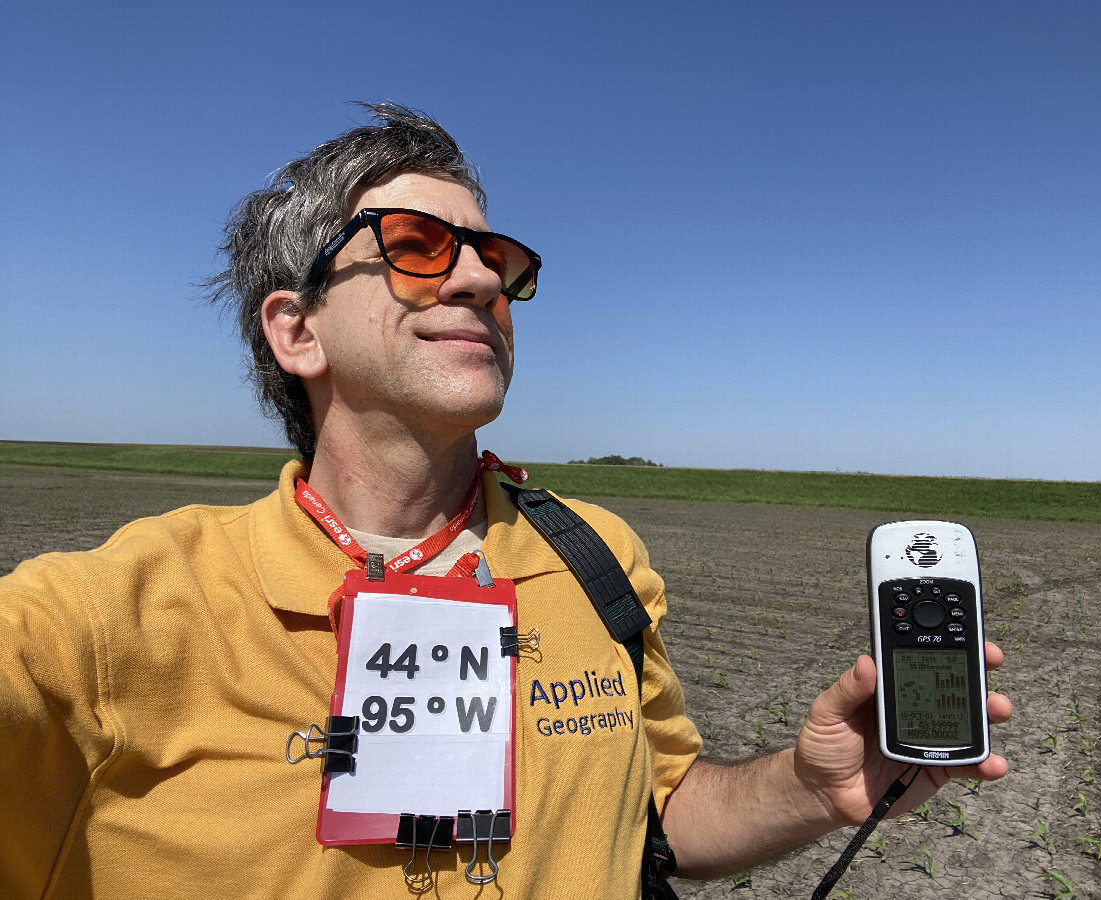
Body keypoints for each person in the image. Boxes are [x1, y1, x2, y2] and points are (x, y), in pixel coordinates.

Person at [0, 103, 1011, 899]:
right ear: (296, 331)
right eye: (417, 244)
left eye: (498, 258)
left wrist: (810, 786)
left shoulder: (594, 556)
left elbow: (663, 819)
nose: (482, 276)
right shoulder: (105, 619)